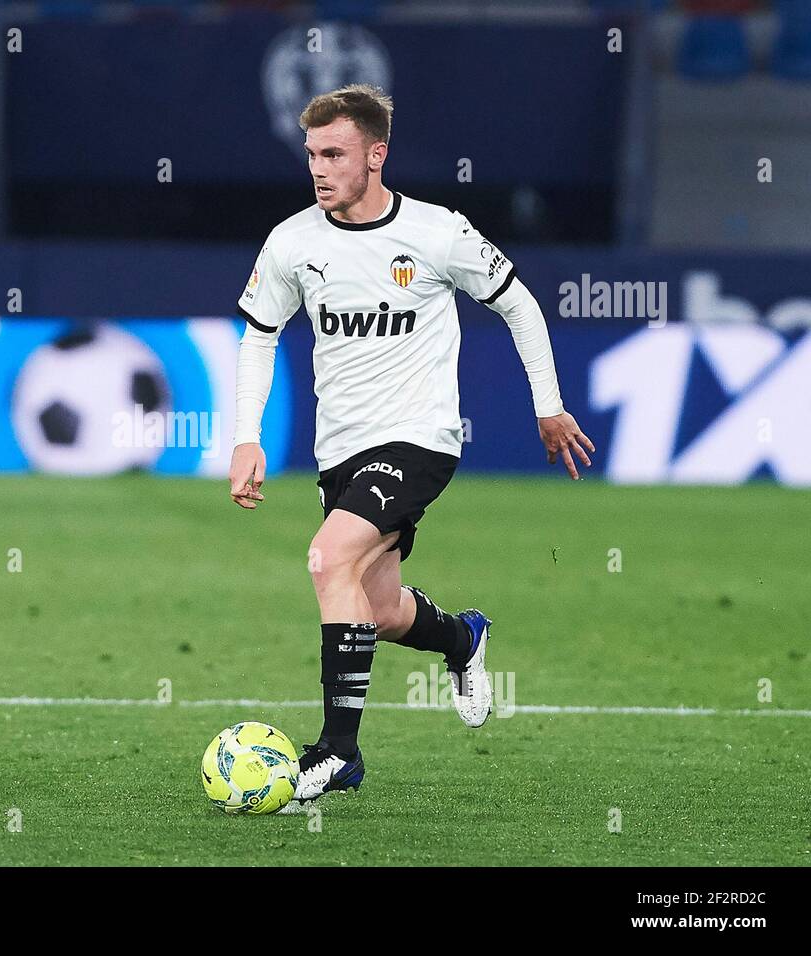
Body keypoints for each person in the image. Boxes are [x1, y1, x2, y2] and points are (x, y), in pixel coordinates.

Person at [228, 85, 595, 805]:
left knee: (326, 556)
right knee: (379, 607)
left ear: (376, 153)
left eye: (334, 153)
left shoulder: (436, 233)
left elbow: (518, 302)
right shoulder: (292, 242)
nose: (319, 168)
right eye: (311, 154)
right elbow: (259, 337)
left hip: (422, 439)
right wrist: (246, 438)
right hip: (342, 450)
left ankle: (338, 752)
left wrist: (547, 408)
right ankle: (463, 640)